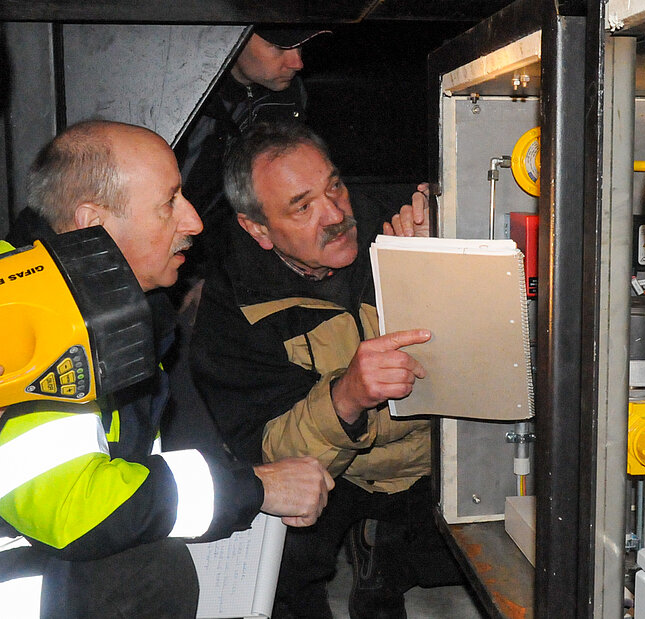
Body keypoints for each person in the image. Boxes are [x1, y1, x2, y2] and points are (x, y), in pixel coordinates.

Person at [0, 119, 335, 618]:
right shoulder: (24, 318)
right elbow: (74, 509)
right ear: (93, 224)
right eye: (169, 203)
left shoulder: (104, 306)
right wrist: (255, 488)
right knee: (150, 571)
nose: (194, 221)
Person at [189, 121, 460, 619]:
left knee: (484, 557)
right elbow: (269, 454)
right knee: (276, 567)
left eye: (334, 185)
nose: (336, 214)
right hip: (340, 473)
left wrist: (440, 259)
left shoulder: (403, 222)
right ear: (257, 229)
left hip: (438, 456)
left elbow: (503, 347)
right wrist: (345, 399)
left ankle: (383, 554)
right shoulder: (237, 306)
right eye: (303, 206)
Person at [174, 26, 329, 277]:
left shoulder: (290, 98)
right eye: (279, 48)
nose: (297, 62)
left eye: (300, 47)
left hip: (222, 256)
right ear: (236, 39)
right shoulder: (183, 93)